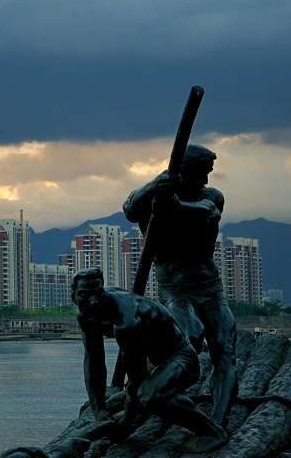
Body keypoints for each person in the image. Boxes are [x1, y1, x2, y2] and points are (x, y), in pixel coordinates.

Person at [122, 143, 236, 426]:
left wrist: (173, 203)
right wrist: (154, 186)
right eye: (202, 172)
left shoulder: (210, 197)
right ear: (183, 171)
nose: (208, 179)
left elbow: (207, 211)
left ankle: (219, 419)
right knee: (189, 335)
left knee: (225, 346)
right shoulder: (154, 197)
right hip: (174, 289)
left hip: (210, 286)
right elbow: (129, 209)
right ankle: (142, 392)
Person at [72, 267, 227, 453]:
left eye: (98, 293)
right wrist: (99, 410)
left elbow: (136, 380)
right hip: (154, 360)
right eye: (84, 295)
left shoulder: (126, 322)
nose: (94, 301)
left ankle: (212, 432)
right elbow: (93, 362)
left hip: (181, 358)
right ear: (73, 296)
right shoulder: (85, 315)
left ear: (103, 290)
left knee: (150, 397)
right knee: (114, 402)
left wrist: (124, 425)